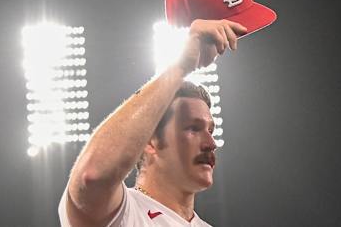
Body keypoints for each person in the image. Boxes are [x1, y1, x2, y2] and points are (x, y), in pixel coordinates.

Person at [58, 18, 248, 227]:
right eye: (193, 128)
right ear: (149, 141)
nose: (211, 143)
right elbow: (92, 175)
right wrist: (181, 67)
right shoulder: (122, 214)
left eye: (211, 130)